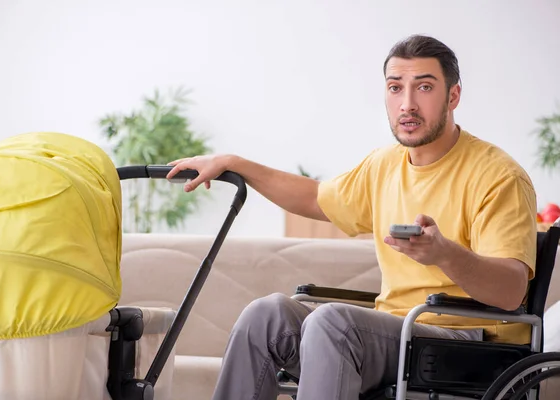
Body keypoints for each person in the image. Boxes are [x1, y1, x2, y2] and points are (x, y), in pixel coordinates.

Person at [167, 34, 538, 400]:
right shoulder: (384, 165)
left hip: (471, 344)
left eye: (424, 87)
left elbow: (510, 292)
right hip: (399, 335)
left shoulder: (498, 176)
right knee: (266, 316)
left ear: (453, 95)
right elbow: (315, 197)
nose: (407, 104)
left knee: (334, 323)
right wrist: (234, 163)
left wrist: (444, 254)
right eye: (395, 88)